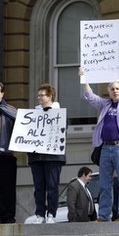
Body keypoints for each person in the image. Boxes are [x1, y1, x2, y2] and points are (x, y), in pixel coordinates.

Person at [81, 73, 119, 222]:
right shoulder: (105, 105)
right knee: (104, 184)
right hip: (105, 148)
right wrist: (85, 79)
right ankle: (104, 215)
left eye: (117, 88)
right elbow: (90, 96)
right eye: (112, 89)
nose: (115, 91)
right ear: (109, 92)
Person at [29, 83, 66, 224]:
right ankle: (40, 214)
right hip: (37, 156)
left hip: (53, 156)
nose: (39, 98)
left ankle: (51, 213)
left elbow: (63, 129)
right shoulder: (33, 114)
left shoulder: (60, 112)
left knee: (52, 186)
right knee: (39, 187)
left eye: (42, 95)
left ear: (50, 96)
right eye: (38, 95)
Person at [0, 82, 17, 224]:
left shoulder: (10, 110)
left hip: (5, 155)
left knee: (7, 188)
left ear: (2, 93)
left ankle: (8, 216)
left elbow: (22, 121)